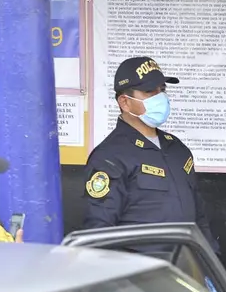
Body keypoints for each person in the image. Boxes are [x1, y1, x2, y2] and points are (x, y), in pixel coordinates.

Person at [82, 56, 217, 252]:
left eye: (162, 89)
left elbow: (199, 217)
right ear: (125, 102)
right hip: (139, 274)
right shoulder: (110, 157)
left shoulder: (177, 149)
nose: (160, 96)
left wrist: (210, 263)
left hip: (184, 269)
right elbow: (98, 230)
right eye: (149, 91)